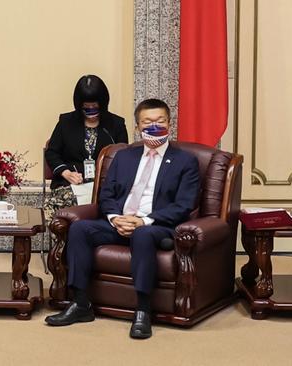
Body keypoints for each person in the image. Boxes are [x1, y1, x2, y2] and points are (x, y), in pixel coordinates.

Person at [44, 99, 200, 339]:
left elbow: (184, 205)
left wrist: (143, 221)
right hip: (119, 222)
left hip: (155, 227)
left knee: (143, 234)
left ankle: (143, 310)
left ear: (170, 123)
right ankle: (81, 304)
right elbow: (106, 194)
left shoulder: (185, 160)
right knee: (80, 229)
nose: (154, 126)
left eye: (160, 121)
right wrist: (116, 218)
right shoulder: (124, 156)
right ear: (138, 126)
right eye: (147, 122)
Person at [44, 75, 128, 221]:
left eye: (95, 108)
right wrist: (66, 172)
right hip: (71, 184)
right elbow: (52, 152)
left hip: (104, 187)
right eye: (86, 109)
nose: (91, 113)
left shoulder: (116, 124)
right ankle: (65, 243)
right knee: (60, 203)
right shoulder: (66, 122)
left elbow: (123, 158)